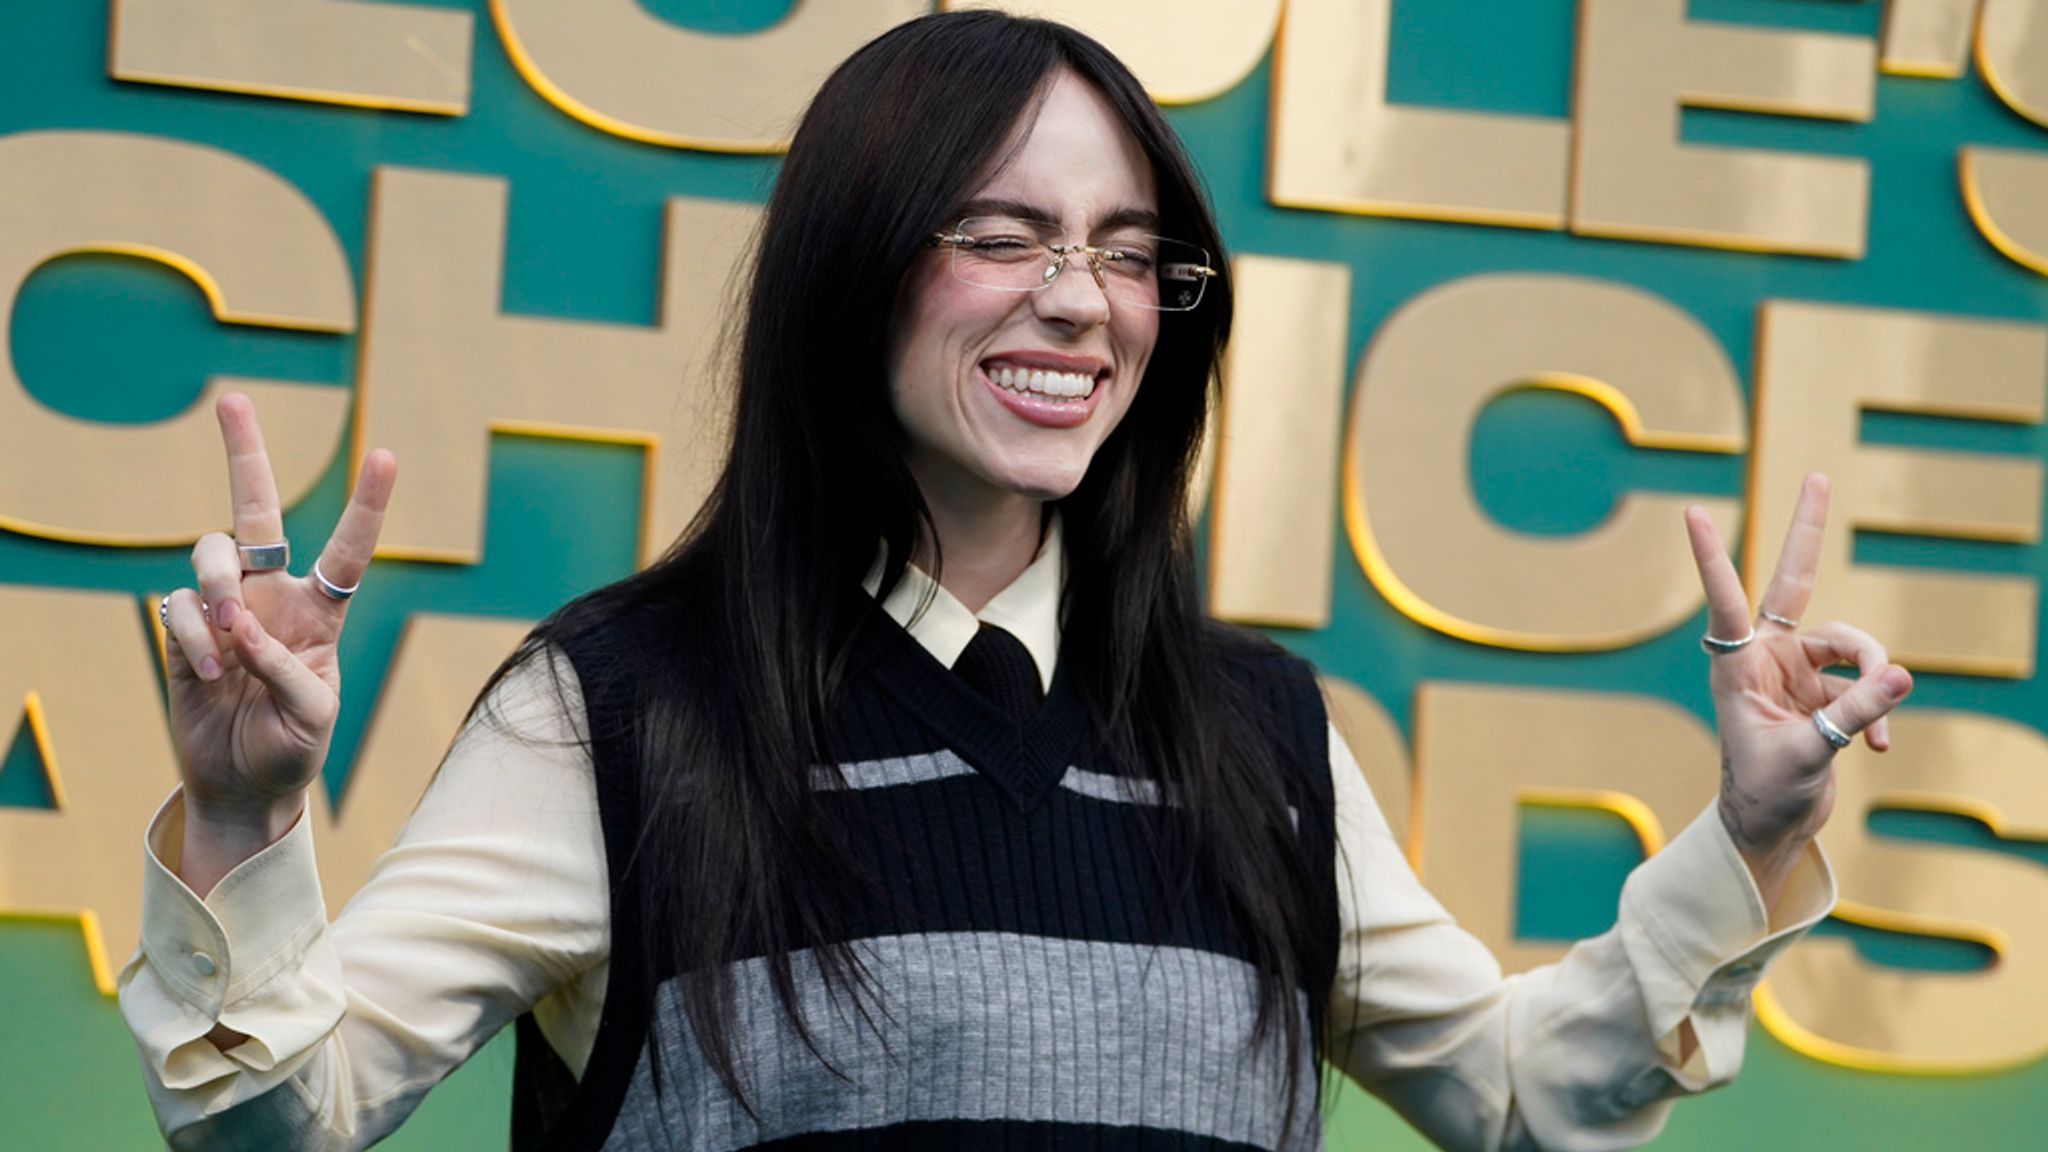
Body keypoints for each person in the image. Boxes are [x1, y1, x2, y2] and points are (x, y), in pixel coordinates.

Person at [120, 11, 1911, 1151]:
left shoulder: (1260, 736)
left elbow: (1522, 1100)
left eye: (1131, 255)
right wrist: (237, 829)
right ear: (852, 272)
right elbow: (280, 1123)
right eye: (1003, 235)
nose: (1081, 299)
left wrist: (1749, 837)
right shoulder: (625, 709)